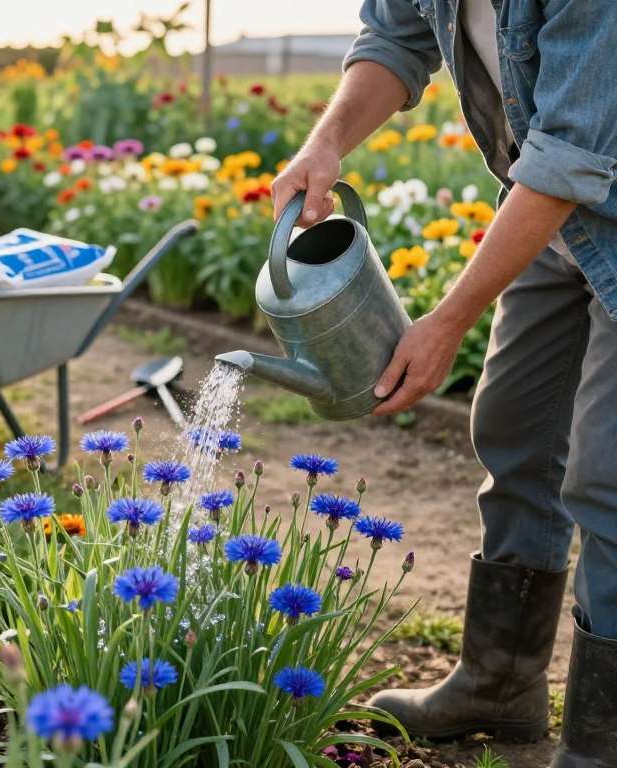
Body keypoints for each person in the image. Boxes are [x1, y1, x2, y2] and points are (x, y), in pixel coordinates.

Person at [271, 2, 617, 765]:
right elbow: (395, 38)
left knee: (608, 480)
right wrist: (324, 142)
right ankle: (501, 682)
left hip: (582, 187)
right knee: (513, 431)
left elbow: (568, 155)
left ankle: (602, 744)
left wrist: (447, 321)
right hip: (559, 220)